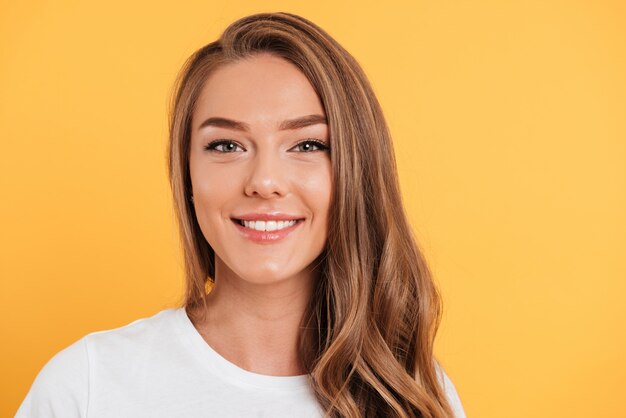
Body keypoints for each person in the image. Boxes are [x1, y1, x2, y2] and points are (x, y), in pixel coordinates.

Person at [15, 12, 466, 418]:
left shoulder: (412, 393)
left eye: (307, 145)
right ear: (187, 174)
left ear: (356, 171)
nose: (264, 181)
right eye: (226, 146)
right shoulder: (88, 386)